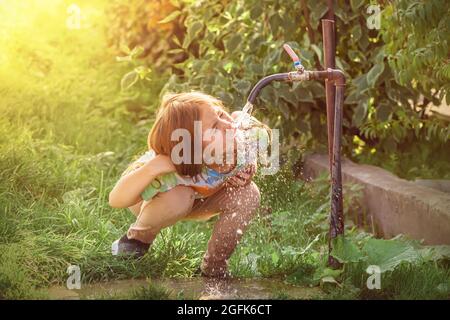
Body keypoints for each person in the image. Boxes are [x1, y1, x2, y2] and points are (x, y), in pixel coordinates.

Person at [108, 91, 269, 278]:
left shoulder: (242, 134)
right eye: (214, 128)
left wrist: (250, 165)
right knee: (180, 197)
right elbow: (116, 199)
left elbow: (260, 136)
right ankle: (136, 241)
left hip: (199, 198)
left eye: (221, 114)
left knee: (249, 193)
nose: (228, 125)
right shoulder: (172, 165)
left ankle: (214, 267)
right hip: (156, 200)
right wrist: (153, 167)